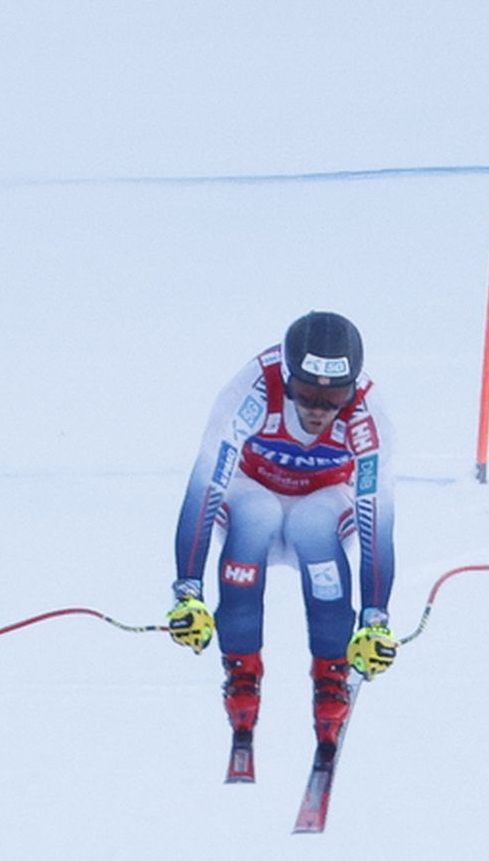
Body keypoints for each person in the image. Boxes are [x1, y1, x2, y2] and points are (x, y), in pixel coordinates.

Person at [165, 311, 398, 764]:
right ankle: (242, 673)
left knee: (313, 526)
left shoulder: (370, 417)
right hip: (254, 487)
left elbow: (376, 522)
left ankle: (332, 674)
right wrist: (187, 591)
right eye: (306, 393)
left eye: (334, 398)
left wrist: (375, 620)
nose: (318, 409)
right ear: (287, 378)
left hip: (327, 499)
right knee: (254, 517)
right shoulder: (251, 390)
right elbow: (205, 486)